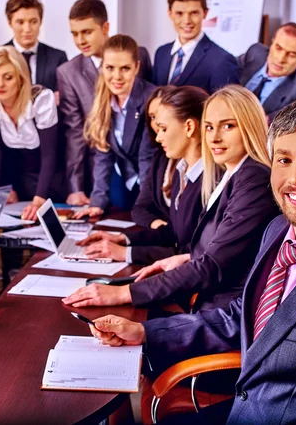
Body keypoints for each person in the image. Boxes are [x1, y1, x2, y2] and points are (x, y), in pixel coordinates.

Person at [88, 96, 296, 425]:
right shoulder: (279, 229)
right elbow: (239, 319)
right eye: (283, 160)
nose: (295, 177)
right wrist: (145, 332)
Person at [63, 85, 278, 311]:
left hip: (220, 312)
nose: (214, 137)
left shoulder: (253, 177)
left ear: (250, 125)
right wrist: (186, 258)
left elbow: (215, 264)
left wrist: (124, 293)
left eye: (228, 126)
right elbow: (213, 248)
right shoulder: (233, 174)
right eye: (209, 127)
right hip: (204, 299)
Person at [77, 86, 208, 265]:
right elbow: (173, 233)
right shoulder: (181, 171)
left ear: (189, 127)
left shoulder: (210, 181)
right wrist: (124, 239)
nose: (158, 136)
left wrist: (126, 254)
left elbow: (190, 254)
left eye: (163, 128)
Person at [57, 0, 153, 206]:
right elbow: (74, 133)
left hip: (144, 161)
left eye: (87, 32)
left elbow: (148, 105)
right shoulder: (68, 72)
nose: (80, 40)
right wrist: (77, 187)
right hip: (102, 162)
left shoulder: (139, 55)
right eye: (75, 34)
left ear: (105, 27)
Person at [71, 35, 156, 217]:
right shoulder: (103, 98)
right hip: (125, 177)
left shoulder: (151, 100)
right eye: (110, 68)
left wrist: (145, 209)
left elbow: (146, 160)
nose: (116, 76)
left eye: (125, 68)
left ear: (137, 68)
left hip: (152, 183)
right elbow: (103, 156)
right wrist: (97, 202)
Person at [0, 46, 58, 220]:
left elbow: (50, 155)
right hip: (19, 180)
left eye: (8, 77)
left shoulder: (41, 99)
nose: (0, 84)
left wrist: (39, 200)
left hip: (52, 180)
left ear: (21, 78)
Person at [152, 0, 239, 94]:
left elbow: (228, 109)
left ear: (205, 13)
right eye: (179, 13)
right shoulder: (161, 53)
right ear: (170, 14)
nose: (187, 21)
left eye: (194, 13)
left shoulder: (222, 60)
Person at [0, 0, 67, 94]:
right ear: (10, 23)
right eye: (20, 22)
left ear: (40, 22)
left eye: (33, 22)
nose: (27, 29)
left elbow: (64, 97)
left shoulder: (58, 57)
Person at [240, 22, 296, 121]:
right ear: (272, 42)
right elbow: (224, 68)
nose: (280, 59)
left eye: (291, 55)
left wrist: (267, 120)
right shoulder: (255, 53)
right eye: (278, 48)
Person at [130, 85, 177, 229]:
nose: (157, 123)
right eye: (152, 117)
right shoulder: (160, 157)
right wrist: (160, 228)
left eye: (162, 116)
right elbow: (139, 209)